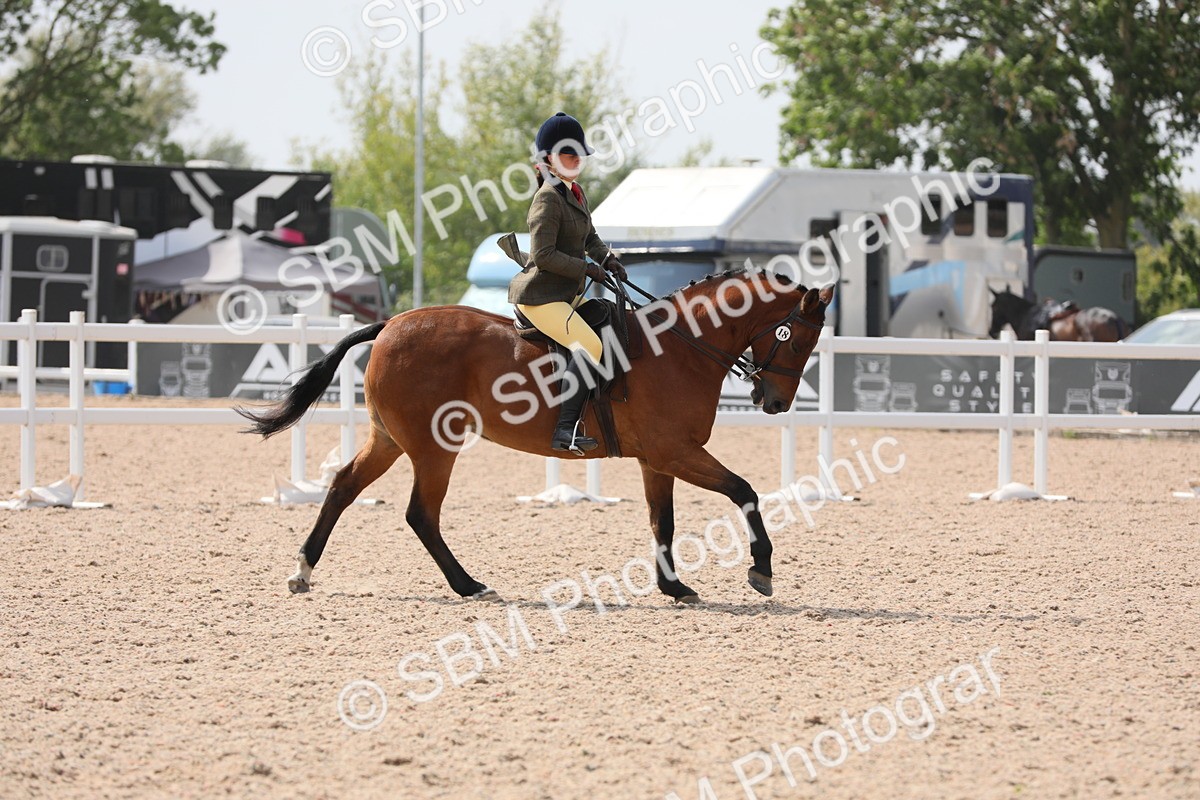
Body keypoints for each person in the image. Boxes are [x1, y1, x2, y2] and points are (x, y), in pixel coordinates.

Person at [508, 111, 627, 454]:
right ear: (549, 159)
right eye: (568, 154)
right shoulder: (547, 198)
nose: (577, 160)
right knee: (589, 345)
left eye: (579, 155)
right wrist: (586, 268)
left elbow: (590, 237)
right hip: (541, 297)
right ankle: (565, 429)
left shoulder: (576, 192)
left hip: (565, 295)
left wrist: (607, 259)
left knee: (608, 317)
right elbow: (543, 255)